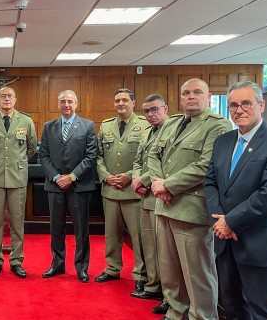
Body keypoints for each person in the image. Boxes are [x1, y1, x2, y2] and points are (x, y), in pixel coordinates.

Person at [148, 78, 232, 320]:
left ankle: (202, 315)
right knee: (170, 268)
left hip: (191, 209)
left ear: (208, 97)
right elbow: (153, 154)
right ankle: (176, 312)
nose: (191, 97)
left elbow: (205, 165)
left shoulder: (218, 126)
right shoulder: (172, 123)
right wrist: (158, 183)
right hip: (164, 205)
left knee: (197, 272)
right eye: (186, 93)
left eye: (197, 92)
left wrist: (168, 185)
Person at [205, 81, 267, 319]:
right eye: (233, 105)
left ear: (261, 105)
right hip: (225, 244)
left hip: (258, 243)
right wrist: (220, 222)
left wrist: (231, 222)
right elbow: (211, 183)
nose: (239, 110)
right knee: (233, 308)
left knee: (264, 311)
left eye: (246, 104)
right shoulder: (223, 141)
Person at [39, 90, 97, 283]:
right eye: (63, 102)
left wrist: (71, 176)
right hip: (55, 185)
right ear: (58, 104)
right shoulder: (48, 127)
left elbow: (91, 156)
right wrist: (57, 177)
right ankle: (57, 264)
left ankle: (82, 267)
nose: (66, 105)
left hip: (79, 185)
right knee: (56, 228)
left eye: (70, 102)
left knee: (81, 229)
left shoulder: (88, 126)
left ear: (76, 103)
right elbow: (43, 156)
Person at [0, 86, 37, 279]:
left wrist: (16, 163)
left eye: (10, 96)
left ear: (15, 99)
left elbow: (31, 148)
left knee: (17, 221)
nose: (6, 99)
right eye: (3, 96)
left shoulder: (26, 121)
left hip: (17, 177)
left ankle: (16, 261)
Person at [95, 88, 148, 292]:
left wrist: (129, 176)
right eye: (117, 100)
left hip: (132, 190)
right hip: (110, 189)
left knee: (138, 236)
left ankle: (141, 274)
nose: (120, 104)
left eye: (125, 100)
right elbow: (99, 156)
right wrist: (106, 176)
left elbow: (146, 158)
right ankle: (112, 268)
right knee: (111, 234)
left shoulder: (144, 125)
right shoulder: (107, 126)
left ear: (134, 103)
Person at [131, 94, 169, 313]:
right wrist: (137, 180)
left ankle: (167, 292)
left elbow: (163, 164)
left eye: (155, 110)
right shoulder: (147, 133)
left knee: (163, 249)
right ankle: (153, 285)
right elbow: (138, 160)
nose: (150, 114)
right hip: (144, 195)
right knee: (149, 245)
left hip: (161, 196)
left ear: (165, 109)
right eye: (146, 111)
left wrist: (142, 180)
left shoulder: (170, 132)